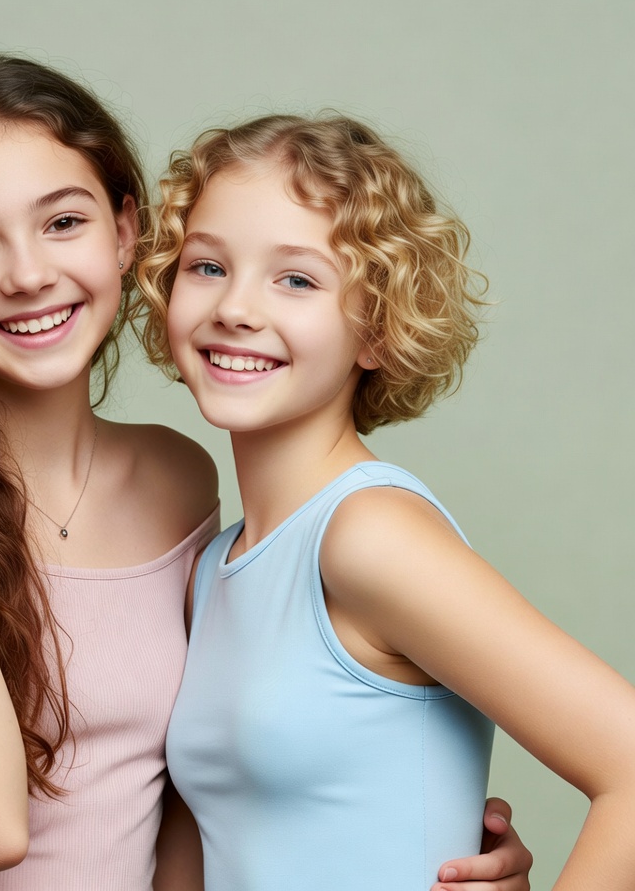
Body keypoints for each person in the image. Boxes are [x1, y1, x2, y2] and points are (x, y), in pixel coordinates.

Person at [0, 57, 533, 891]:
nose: (28, 274)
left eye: (62, 222)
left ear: (126, 231)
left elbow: (208, 788)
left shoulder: (181, 479)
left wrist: (431, 840)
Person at [137, 113, 635, 891]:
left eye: (296, 278)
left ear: (377, 331)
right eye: (207, 267)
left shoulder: (367, 536)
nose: (235, 306)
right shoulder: (212, 568)